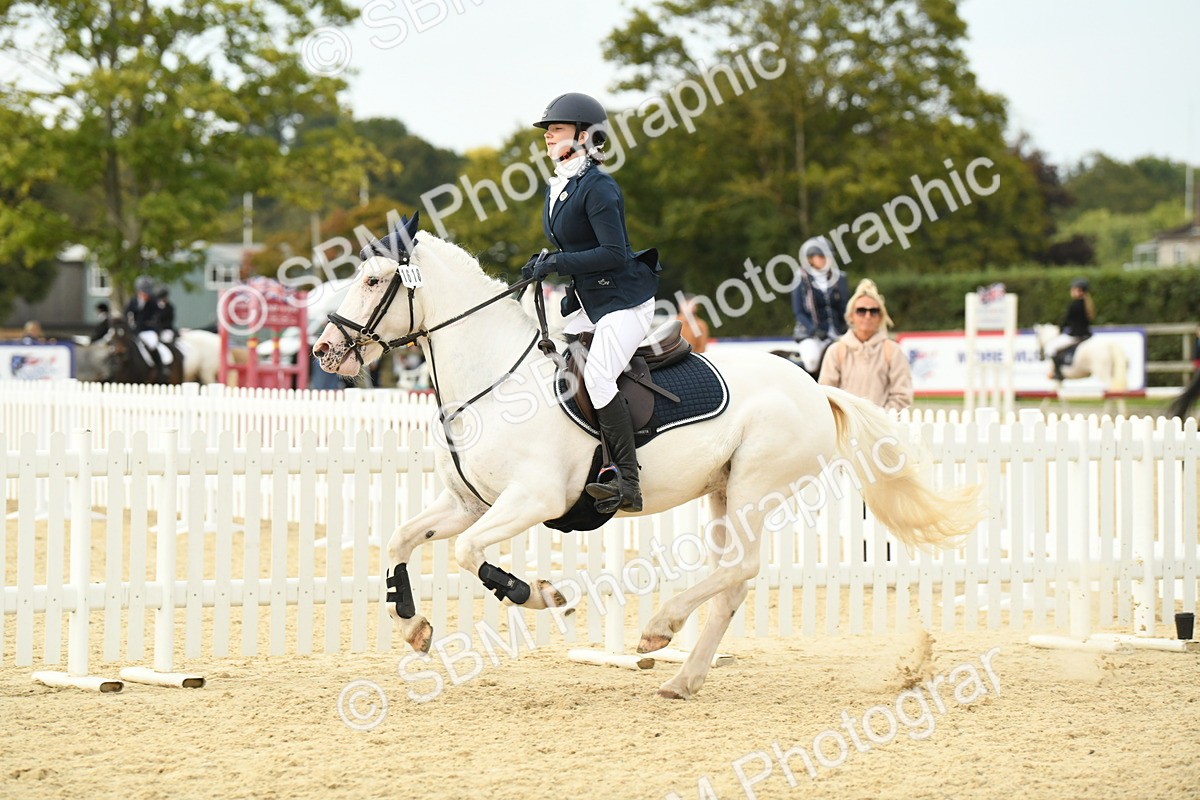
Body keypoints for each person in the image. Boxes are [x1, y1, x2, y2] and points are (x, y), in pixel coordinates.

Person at [522, 92, 661, 513]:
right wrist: (545, 264)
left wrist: (555, 262)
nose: (548, 137)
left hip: (624, 301)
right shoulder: (563, 184)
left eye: (557, 129)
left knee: (599, 378)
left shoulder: (599, 186)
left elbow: (614, 252)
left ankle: (628, 480)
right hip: (589, 300)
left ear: (585, 135)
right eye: (547, 131)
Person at [818, 279, 913, 411]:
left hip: (883, 427)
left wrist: (878, 419)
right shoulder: (835, 351)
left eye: (873, 311)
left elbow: (903, 396)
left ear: (880, 317)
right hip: (847, 428)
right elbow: (826, 395)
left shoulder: (893, 351)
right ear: (851, 316)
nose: (867, 316)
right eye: (861, 311)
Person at [791, 235, 848, 377]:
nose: (826, 259)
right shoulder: (800, 279)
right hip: (810, 334)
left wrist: (845, 325)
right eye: (821, 256)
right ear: (810, 259)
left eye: (828, 256)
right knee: (812, 360)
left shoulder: (839, 278)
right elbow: (799, 312)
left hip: (836, 332)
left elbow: (844, 306)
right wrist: (814, 330)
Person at [1044, 277, 1094, 380]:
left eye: (1073, 289)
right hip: (1087, 335)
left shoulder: (1074, 305)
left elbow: (1066, 320)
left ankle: (1057, 373)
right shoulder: (1088, 304)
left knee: (1051, 347)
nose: (1071, 291)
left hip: (1075, 335)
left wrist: (1060, 329)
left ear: (1079, 290)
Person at [125, 275, 171, 379]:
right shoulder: (133, 301)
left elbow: (158, 315)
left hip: (147, 330)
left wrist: (152, 322)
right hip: (135, 330)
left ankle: (160, 368)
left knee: (152, 344)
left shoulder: (153, 301)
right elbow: (127, 313)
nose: (146, 295)